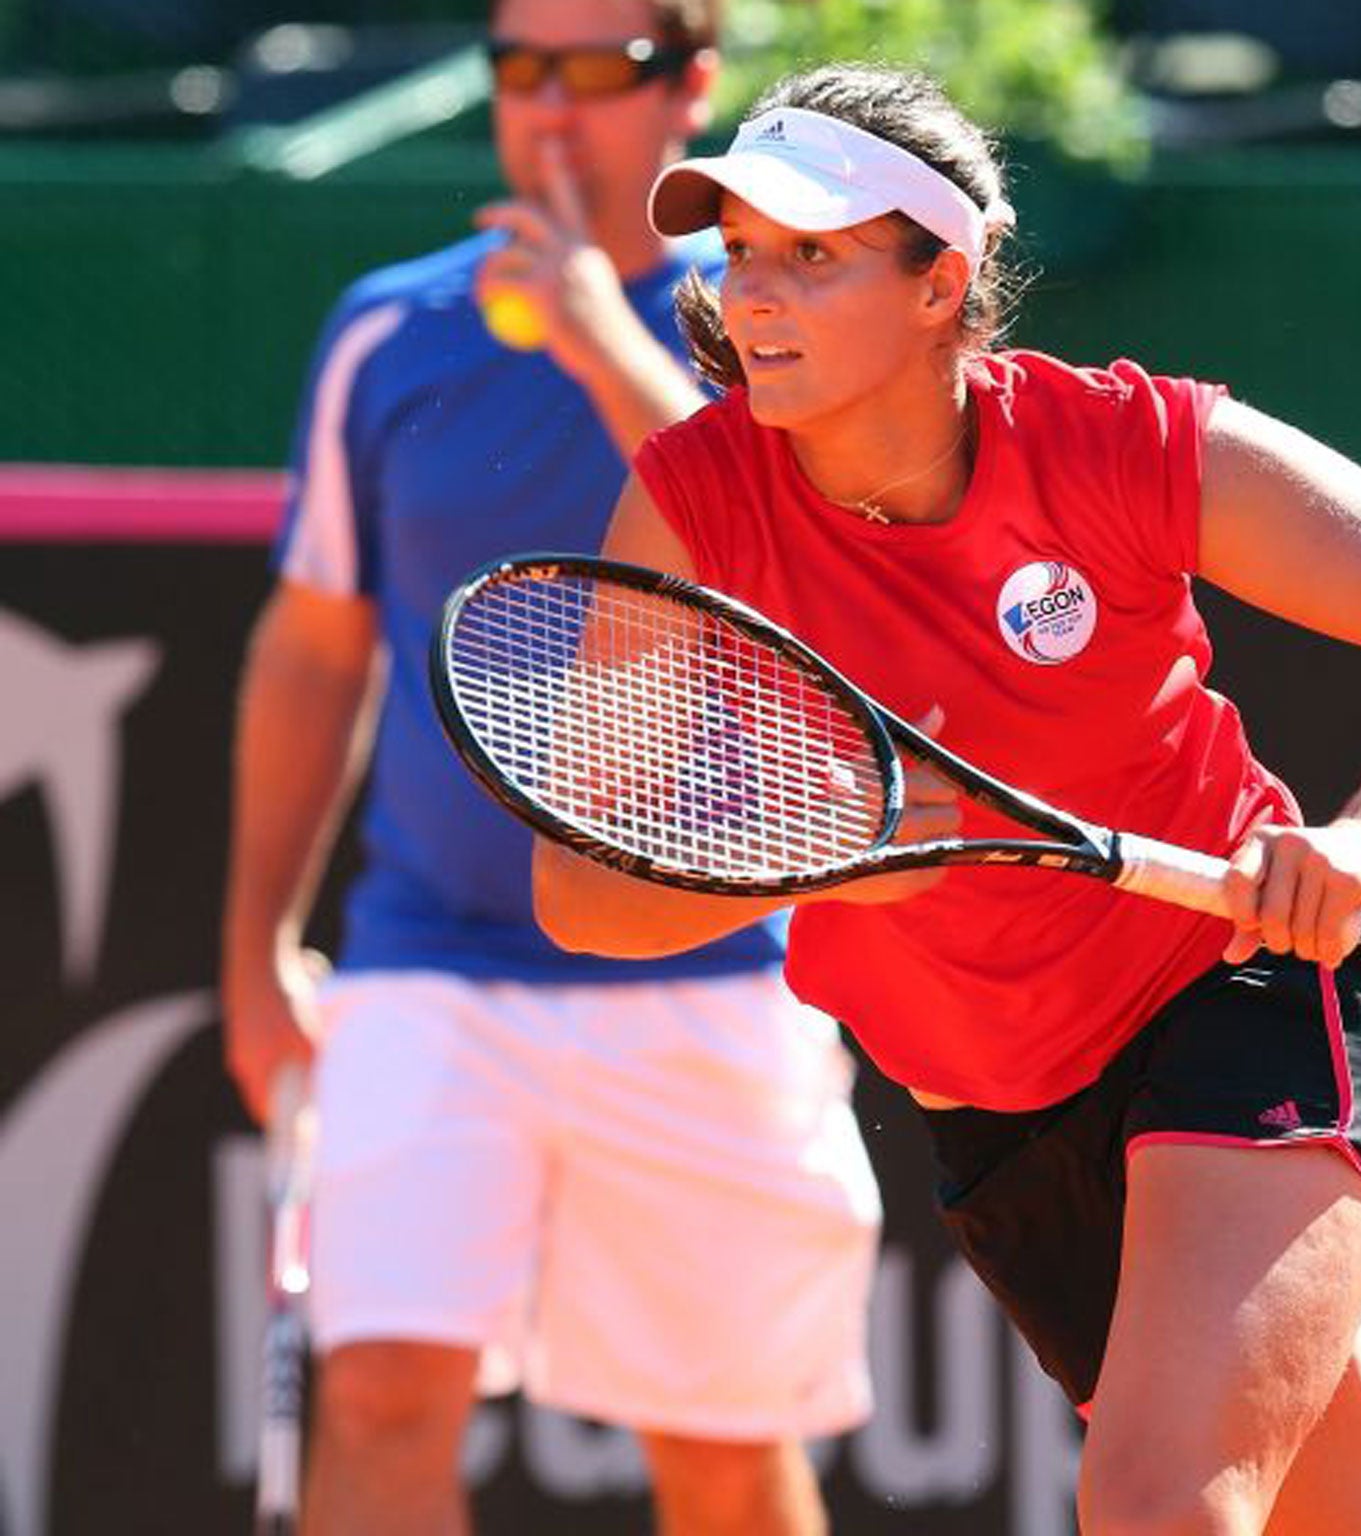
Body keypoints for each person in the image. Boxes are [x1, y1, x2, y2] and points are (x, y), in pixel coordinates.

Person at [535, 64, 1361, 1536]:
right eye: (743, 252)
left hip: (1232, 997)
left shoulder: (1116, 443)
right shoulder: (692, 501)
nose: (755, 294)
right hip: (1000, 1126)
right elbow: (577, 894)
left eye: (813, 256)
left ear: (938, 282)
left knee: (1160, 1510)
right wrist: (822, 864)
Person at [218, 7, 880, 1534]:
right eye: (524, 71)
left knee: (719, 1454)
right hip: (424, 969)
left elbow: (780, 563)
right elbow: (315, 650)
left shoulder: (773, 323)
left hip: (713, 964)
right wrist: (259, 948)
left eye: (603, 71)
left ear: (691, 89)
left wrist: (599, 338)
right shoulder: (387, 330)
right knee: (378, 1404)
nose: (555, 114)